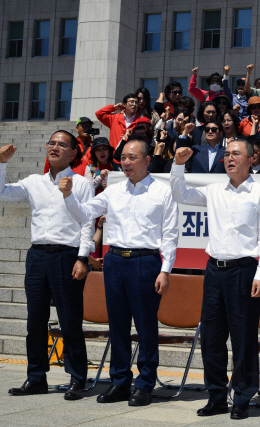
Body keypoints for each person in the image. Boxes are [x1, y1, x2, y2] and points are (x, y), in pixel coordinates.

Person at [58, 136, 179, 407]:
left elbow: (171, 234)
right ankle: (120, 382)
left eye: (132, 157)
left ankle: (145, 384)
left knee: (146, 327)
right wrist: (68, 196)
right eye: (123, 158)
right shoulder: (114, 190)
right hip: (114, 261)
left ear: (147, 160)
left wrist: (166, 270)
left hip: (146, 263)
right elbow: (84, 213)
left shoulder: (163, 192)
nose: (126, 162)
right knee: (118, 326)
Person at [170, 139, 260, 420]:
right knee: (212, 338)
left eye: (236, 154)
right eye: (226, 154)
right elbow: (179, 194)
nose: (229, 158)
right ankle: (216, 396)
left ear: (251, 159)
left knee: (243, 339)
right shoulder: (214, 190)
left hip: (244, 272)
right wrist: (178, 165)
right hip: (214, 271)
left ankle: (242, 396)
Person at [2, 132, 94, 401]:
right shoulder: (33, 182)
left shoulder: (82, 184)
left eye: (62, 144)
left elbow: (88, 223)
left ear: (73, 153)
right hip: (38, 256)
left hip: (67, 257)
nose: (54, 147)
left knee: (70, 320)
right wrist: (1, 164)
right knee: (35, 321)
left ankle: (77, 378)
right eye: (51, 143)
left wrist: (83, 257)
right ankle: (36, 377)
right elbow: (2, 192)